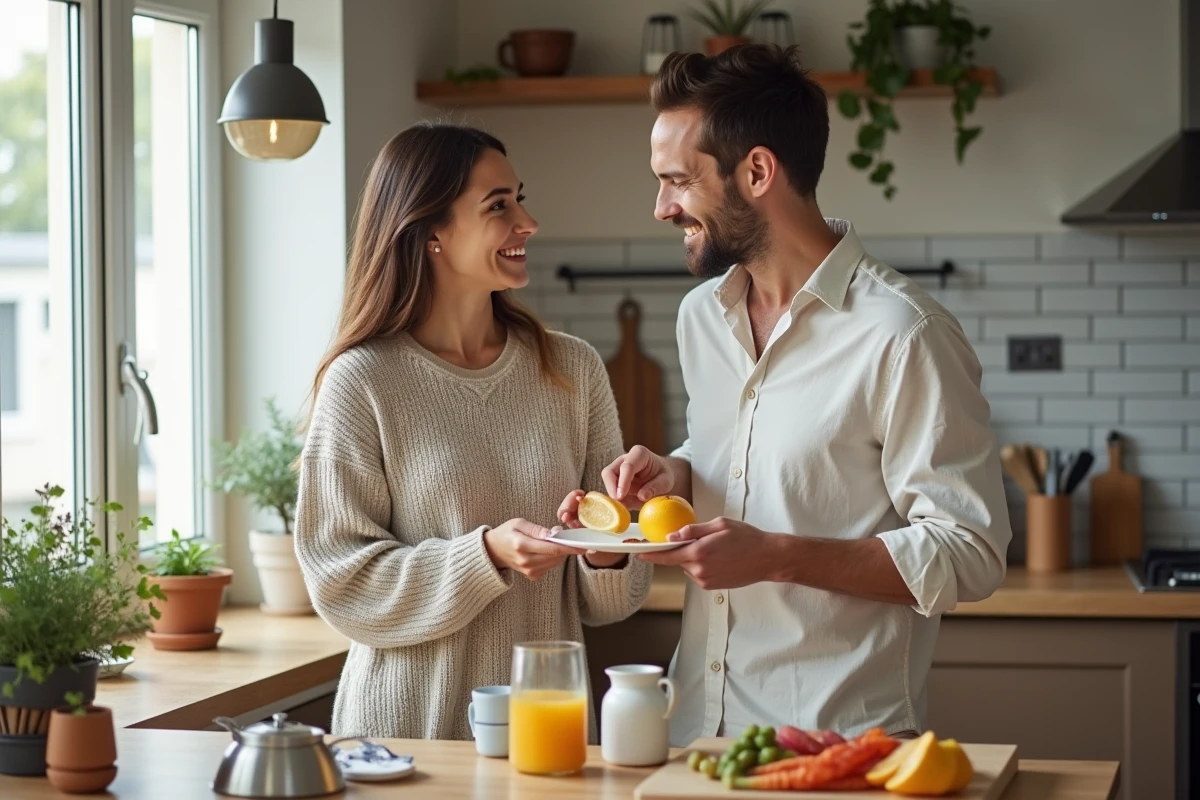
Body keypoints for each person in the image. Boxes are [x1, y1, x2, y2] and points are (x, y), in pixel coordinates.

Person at [604, 45, 1011, 745]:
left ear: (758, 171)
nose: (662, 207)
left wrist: (777, 555)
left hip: (837, 747)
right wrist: (674, 473)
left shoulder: (902, 333)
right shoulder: (701, 317)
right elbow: (739, 461)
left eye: (677, 181)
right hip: (694, 733)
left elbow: (969, 550)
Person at [294, 123, 652, 741]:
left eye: (520, 199)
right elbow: (341, 583)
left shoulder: (572, 368)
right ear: (431, 229)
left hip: (548, 731)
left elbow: (612, 603)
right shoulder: (363, 381)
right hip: (407, 738)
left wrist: (605, 547)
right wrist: (485, 555)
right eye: (498, 206)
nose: (528, 222)